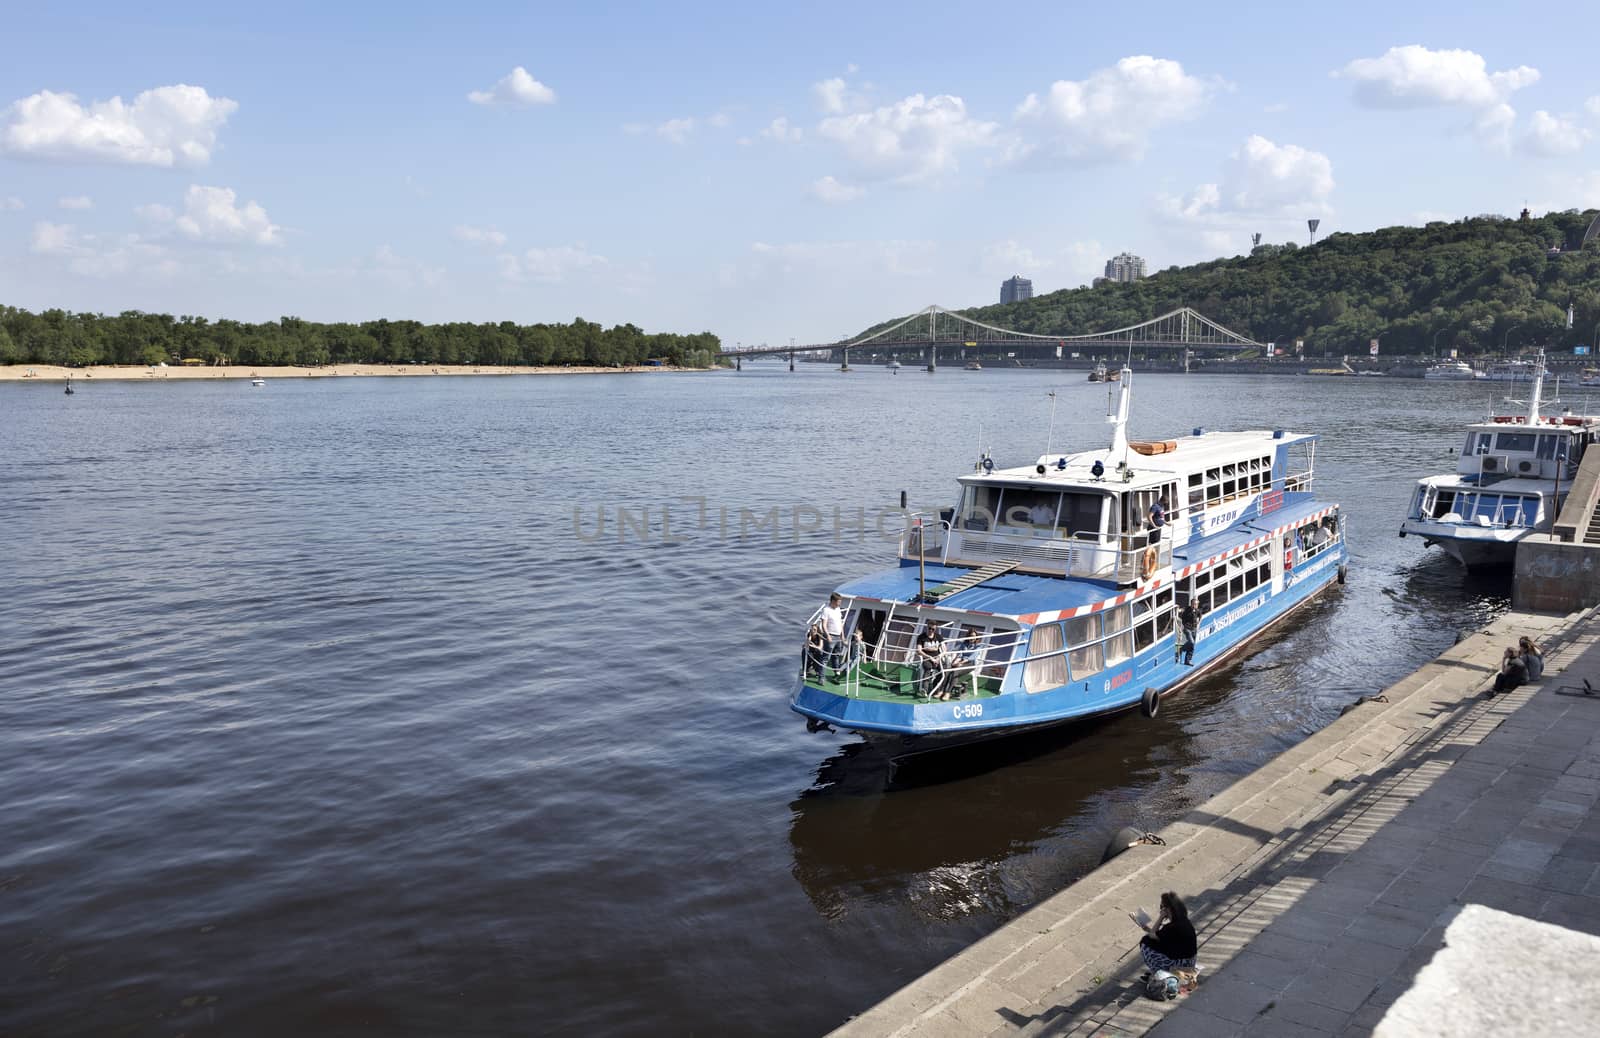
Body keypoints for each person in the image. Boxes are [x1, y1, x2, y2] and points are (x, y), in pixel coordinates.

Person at [1137, 891, 1198, 976]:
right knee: (1151, 941)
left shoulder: (1172, 927)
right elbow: (1158, 937)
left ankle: (1159, 972)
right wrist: (1147, 929)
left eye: (1162, 907)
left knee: (1145, 943)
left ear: (1168, 909)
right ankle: (1159, 970)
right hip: (1189, 962)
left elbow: (1152, 936)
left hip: (1181, 965)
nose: (1161, 909)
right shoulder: (1184, 921)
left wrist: (1161, 917)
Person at [917, 622, 947, 698]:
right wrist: (929, 657)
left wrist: (939, 657)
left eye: (933, 629)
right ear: (927, 627)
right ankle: (925, 690)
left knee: (944, 670)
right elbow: (919, 650)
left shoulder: (939, 637)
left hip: (937, 658)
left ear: (935, 629)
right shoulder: (921, 637)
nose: (931, 630)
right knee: (927, 668)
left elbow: (944, 650)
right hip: (927, 658)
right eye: (929, 628)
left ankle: (936, 688)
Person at [821, 593, 846, 677]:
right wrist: (827, 635)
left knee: (836, 655)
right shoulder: (826, 610)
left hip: (838, 636)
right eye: (838, 602)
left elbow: (840, 623)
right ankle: (822, 677)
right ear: (833, 601)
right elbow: (824, 625)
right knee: (826, 658)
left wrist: (842, 635)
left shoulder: (838, 609)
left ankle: (836, 673)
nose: (839, 603)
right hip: (831, 635)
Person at [1176, 601, 1200, 666]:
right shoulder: (1187, 610)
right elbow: (1182, 618)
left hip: (1194, 629)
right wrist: (1185, 625)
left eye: (1196, 604)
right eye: (1194, 604)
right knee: (1191, 642)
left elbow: (1200, 617)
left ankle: (1187, 660)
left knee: (1192, 646)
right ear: (1191, 604)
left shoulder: (1197, 611)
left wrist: (1198, 624)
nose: (1195, 605)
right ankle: (1181, 649)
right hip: (1187, 629)